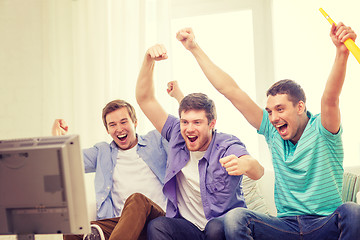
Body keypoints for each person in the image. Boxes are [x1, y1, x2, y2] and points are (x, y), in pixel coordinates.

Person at [176, 22, 360, 239]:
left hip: (324, 224)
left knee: (352, 211)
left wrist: (341, 52)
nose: (273, 118)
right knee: (236, 218)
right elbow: (231, 91)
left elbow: (330, 98)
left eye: (280, 109)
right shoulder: (272, 132)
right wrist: (194, 47)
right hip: (287, 227)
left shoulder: (323, 130)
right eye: (270, 111)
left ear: (300, 107)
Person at [135, 43, 264, 240]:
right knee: (157, 226)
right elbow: (145, 99)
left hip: (221, 226)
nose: (189, 128)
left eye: (197, 122)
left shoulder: (226, 145)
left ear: (212, 123)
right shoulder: (177, 135)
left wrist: (243, 164)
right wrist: (148, 60)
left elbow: (258, 171)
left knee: (214, 228)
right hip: (188, 227)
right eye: (185, 122)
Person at [52, 87, 184, 240]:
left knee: (137, 200)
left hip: (158, 219)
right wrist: (57, 139)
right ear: (107, 129)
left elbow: (182, 132)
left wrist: (179, 97)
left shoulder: (156, 140)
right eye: (112, 124)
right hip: (122, 225)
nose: (119, 129)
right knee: (73, 230)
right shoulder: (103, 152)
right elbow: (67, 161)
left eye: (123, 122)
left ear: (135, 122)